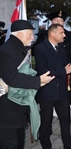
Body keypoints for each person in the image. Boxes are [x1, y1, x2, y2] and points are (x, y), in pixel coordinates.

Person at [0, 20, 54, 149]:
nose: (33, 37)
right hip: (7, 111)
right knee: (10, 145)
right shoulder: (6, 51)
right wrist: (38, 81)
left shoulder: (20, 49)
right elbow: (12, 78)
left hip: (18, 108)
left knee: (19, 143)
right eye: (30, 34)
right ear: (19, 35)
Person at [34, 24, 71, 149]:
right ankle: (46, 146)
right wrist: (65, 71)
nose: (64, 35)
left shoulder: (61, 47)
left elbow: (64, 65)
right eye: (61, 33)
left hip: (61, 91)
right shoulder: (40, 49)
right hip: (47, 92)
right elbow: (44, 72)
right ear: (53, 34)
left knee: (65, 120)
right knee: (46, 123)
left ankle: (68, 145)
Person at [33, 11, 71, 105]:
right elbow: (36, 53)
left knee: (64, 104)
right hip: (48, 73)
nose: (58, 22)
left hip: (65, 74)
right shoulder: (42, 36)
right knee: (46, 109)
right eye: (56, 20)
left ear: (64, 23)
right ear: (51, 22)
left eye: (60, 21)